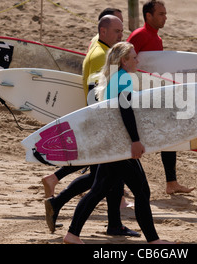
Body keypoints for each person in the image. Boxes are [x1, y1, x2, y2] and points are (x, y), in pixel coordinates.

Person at [63, 42, 173, 244]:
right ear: (123, 60)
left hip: (110, 141)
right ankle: (154, 241)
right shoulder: (123, 78)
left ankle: (72, 235)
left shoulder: (112, 77)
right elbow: (126, 110)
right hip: (120, 144)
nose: (137, 60)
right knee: (141, 191)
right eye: (133, 57)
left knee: (98, 190)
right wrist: (135, 141)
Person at [44, 15, 139, 238]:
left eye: (122, 31)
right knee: (101, 183)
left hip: (101, 127)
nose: (120, 36)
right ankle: (65, 215)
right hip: (104, 128)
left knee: (105, 180)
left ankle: (111, 224)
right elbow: (97, 96)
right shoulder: (100, 55)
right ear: (102, 31)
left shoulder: (98, 49)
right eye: (117, 31)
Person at [127, 0, 195, 195]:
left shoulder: (156, 38)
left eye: (165, 13)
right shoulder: (139, 35)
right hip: (140, 95)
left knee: (168, 133)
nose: (165, 17)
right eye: (161, 14)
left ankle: (171, 183)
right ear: (148, 16)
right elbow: (125, 60)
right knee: (132, 138)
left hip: (154, 92)